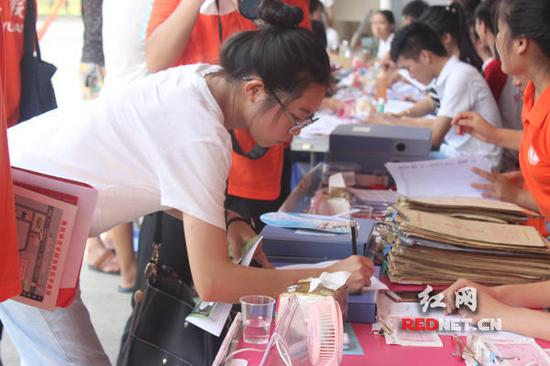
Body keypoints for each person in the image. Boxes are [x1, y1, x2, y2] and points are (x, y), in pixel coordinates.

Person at [0, 2, 374, 364]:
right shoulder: (201, 134)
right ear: (254, 89)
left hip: (33, 205)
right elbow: (213, 281)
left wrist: (228, 220)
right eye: (298, 116)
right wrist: (327, 276)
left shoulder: (202, 81)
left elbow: (162, 177)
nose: (294, 133)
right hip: (20, 210)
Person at [443, 0, 550, 341]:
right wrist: (497, 294)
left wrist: (498, 312)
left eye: (500, 31)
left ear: (521, 42)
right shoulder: (535, 91)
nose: (493, 40)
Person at [369, 22, 502, 168]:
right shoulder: (446, 75)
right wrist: (400, 117)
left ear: (425, 56)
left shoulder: (460, 76)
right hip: (458, 153)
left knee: (387, 165)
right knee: (389, 160)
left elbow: (434, 136)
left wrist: (391, 122)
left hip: (478, 163)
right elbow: (430, 101)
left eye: (408, 68)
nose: (410, 76)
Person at [474, 0, 522, 171]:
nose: (498, 37)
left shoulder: (496, 68)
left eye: (501, 32)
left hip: (508, 158)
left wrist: (492, 135)